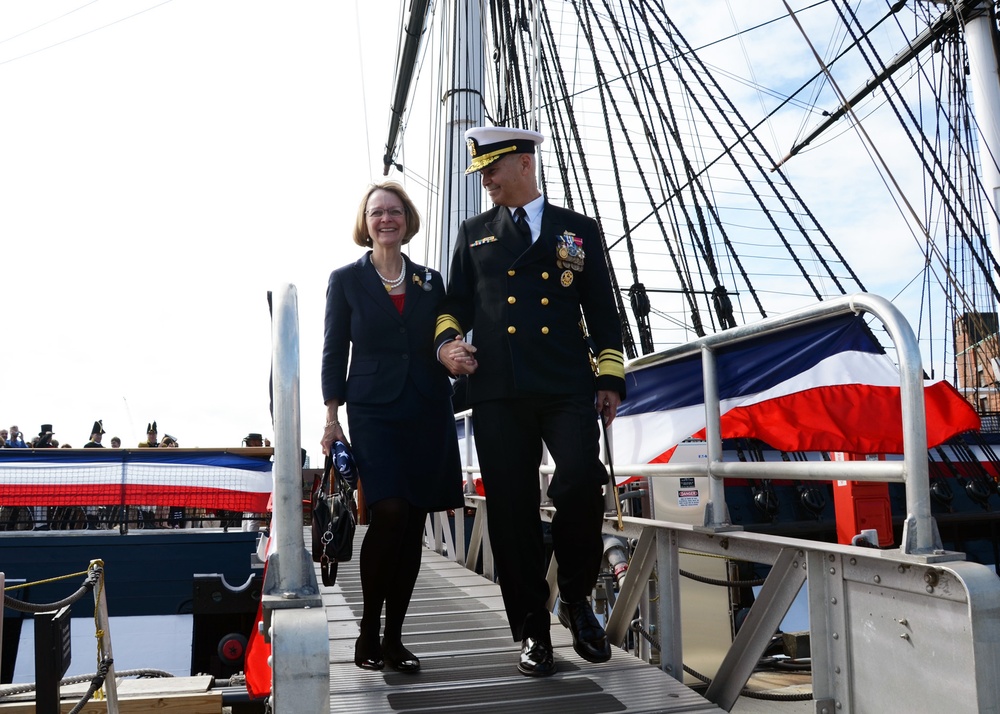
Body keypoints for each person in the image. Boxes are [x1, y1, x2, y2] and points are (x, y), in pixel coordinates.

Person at [435, 126, 627, 677]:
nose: (486, 181)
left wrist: (609, 379)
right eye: (482, 173)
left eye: (493, 170)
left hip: (566, 383)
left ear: (523, 163)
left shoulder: (577, 231)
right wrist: (449, 345)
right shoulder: (474, 234)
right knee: (513, 512)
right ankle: (532, 630)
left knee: (582, 482)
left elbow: (604, 313)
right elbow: (453, 306)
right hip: (498, 390)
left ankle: (575, 599)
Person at [320, 181, 464, 673]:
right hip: (373, 410)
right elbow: (334, 350)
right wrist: (331, 417)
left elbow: (443, 334)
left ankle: (394, 638)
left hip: (426, 407)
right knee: (389, 511)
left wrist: (452, 351)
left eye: (395, 211)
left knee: (414, 521)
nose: (387, 219)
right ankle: (367, 632)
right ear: (366, 221)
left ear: (408, 218)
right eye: (377, 212)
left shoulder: (431, 280)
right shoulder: (345, 280)